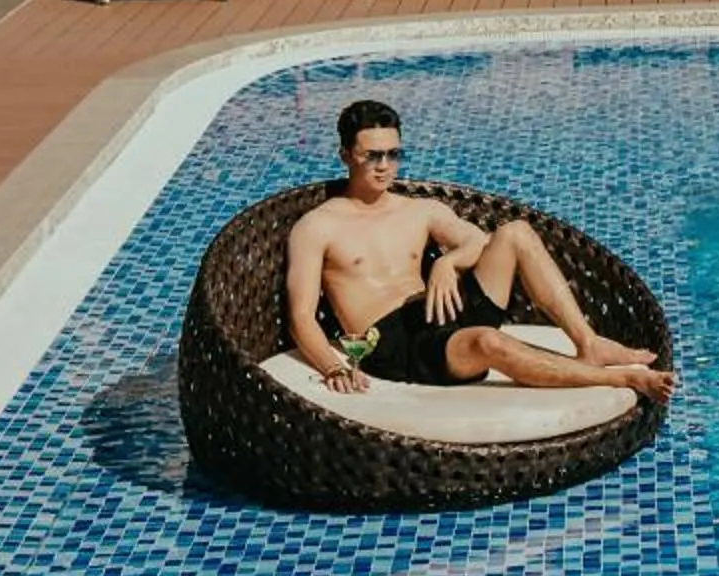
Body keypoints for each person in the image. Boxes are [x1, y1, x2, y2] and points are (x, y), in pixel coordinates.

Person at [284, 99, 674, 399]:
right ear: (345, 156)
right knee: (487, 342)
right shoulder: (318, 226)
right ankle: (621, 378)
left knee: (516, 233)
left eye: (393, 154)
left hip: (439, 311)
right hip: (394, 343)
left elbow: (479, 242)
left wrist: (447, 264)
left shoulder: (420, 211)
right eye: (372, 155)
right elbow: (301, 316)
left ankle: (588, 344)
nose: (384, 166)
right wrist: (334, 369)